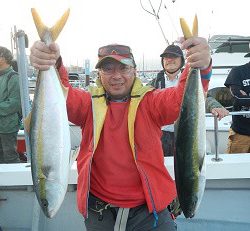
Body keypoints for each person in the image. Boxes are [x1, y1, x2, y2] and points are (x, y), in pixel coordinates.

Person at [30, 37, 211, 231]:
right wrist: (52, 62)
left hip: (150, 213)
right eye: (108, 69)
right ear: (99, 73)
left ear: (134, 70)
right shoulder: (87, 104)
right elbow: (60, 95)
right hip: (100, 213)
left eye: (123, 68)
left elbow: (182, 99)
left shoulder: (151, 102)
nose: (116, 76)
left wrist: (202, 64)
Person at [152, 44, 229, 156]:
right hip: (161, 134)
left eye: (173, 56)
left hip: (185, 133)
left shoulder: (190, 79)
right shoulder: (154, 83)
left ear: (182, 61)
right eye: (166, 57)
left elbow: (201, 97)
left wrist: (215, 106)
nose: (169, 60)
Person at [0, 46, 21, 163]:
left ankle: (17, 182)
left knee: (10, 158)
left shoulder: (14, 77)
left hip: (7, 127)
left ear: (3, 57)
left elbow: (14, 103)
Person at [224, 62, 250, 154]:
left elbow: (243, 99)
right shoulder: (237, 71)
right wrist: (242, 98)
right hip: (241, 134)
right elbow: (238, 98)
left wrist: (246, 97)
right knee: (235, 167)